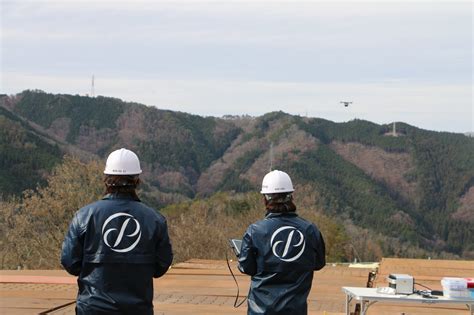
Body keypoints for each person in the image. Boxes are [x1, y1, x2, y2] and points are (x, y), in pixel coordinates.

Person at [61, 148, 173, 315]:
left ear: (106, 179)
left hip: (92, 308)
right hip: (137, 309)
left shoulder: (84, 215)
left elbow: (70, 262)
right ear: (137, 180)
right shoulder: (155, 219)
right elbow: (161, 266)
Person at [238, 170, 326, 315]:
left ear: (265, 199)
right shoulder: (310, 229)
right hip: (296, 309)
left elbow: (247, 268)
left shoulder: (255, 231)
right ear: (291, 196)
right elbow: (319, 264)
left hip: (260, 310)